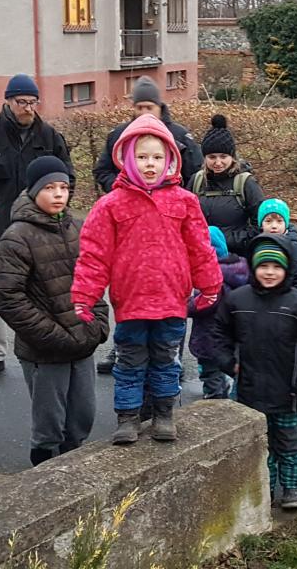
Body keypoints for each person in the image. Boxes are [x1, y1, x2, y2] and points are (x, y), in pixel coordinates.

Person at [71, 113, 221, 445]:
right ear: (127, 159)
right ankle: (128, 417)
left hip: (171, 299)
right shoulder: (110, 205)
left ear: (170, 160)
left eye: (156, 157)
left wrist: (210, 286)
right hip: (131, 301)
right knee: (129, 362)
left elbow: (200, 247)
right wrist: (84, 296)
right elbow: (94, 255)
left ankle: (164, 414)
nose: (149, 164)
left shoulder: (185, 201)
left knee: (166, 360)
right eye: (141, 157)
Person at [0, 74, 74, 382]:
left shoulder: (49, 136)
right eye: (22, 102)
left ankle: (38, 353)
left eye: (33, 102)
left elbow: (67, 177)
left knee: (41, 295)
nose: (28, 108)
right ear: (8, 101)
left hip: (41, 231)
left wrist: (54, 207)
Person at [0, 157, 109, 466]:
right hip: (44, 351)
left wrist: (98, 323)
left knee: (82, 417)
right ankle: (45, 476)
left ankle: (72, 472)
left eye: (64, 187)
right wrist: (54, 337)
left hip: (82, 342)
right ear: (33, 191)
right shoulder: (17, 237)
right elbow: (9, 298)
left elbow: (94, 279)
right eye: (49, 188)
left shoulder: (77, 228)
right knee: (49, 426)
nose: (58, 194)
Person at [210, 235, 297, 510]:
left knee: (290, 444)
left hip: (288, 391)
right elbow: (218, 334)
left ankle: (292, 489)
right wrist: (229, 364)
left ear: (286, 269)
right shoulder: (238, 300)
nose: (269, 272)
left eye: (276, 267)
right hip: (248, 389)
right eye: (263, 266)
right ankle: (264, 491)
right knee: (259, 445)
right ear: (253, 268)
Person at [257, 197, 297, 424]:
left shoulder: (294, 247)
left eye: (279, 221)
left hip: (288, 313)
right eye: (268, 220)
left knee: (292, 361)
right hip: (263, 311)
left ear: (286, 223)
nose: (273, 225)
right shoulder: (258, 245)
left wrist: (286, 301)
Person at [92, 76, 201, 192]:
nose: (144, 112)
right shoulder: (119, 135)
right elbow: (103, 171)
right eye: (139, 108)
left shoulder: (179, 136)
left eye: (149, 108)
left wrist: (176, 194)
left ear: (159, 107)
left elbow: (194, 172)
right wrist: (121, 190)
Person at [189, 114, 265, 258]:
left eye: (223, 157)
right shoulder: (196, 181)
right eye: (212, 157)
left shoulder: (245, 183)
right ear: (205, 158)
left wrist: (224, 239)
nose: (218, 163)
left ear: (232, 157)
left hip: (237, 258)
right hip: (201, 257)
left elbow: (260, 224)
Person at [187, 227, 248, 400]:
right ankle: (226, 389)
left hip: (209, 334)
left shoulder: (211, 276)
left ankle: (214, 397)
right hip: (230, 333)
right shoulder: (238, 270)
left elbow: (205, 303)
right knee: (226, 365)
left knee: (209, 370)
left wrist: (185, 305)